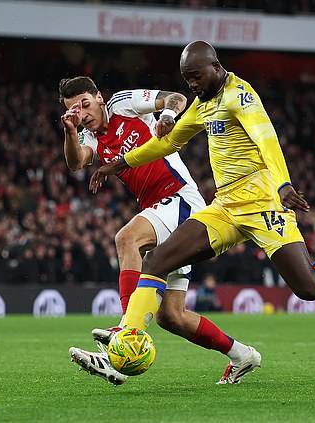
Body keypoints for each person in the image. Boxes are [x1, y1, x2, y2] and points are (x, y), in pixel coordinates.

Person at [89, 41, 315, 384]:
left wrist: (283, 185)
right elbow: (168, 143)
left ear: (216, 67)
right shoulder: (203, 104)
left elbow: (267, 139)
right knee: (157, 260)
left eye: (196, 76)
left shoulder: (240, 96)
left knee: (310, 288)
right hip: (225, 206)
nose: (191, 84)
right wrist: (120, 163)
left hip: (263, 204)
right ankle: (126, 337)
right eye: (187, 79)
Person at [58, 76, 256, 385]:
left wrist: (165, 117)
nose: (82, 113)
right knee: (171, 317)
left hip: (179, 199)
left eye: (85, 104)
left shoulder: (123, 103)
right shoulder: (89, 138)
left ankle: (125, 330)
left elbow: (175, 98)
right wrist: (70, 132)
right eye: (74, 111)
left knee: (126, 238)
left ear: (98, 97)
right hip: (160, 210)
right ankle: (242, 355)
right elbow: (75, 162)